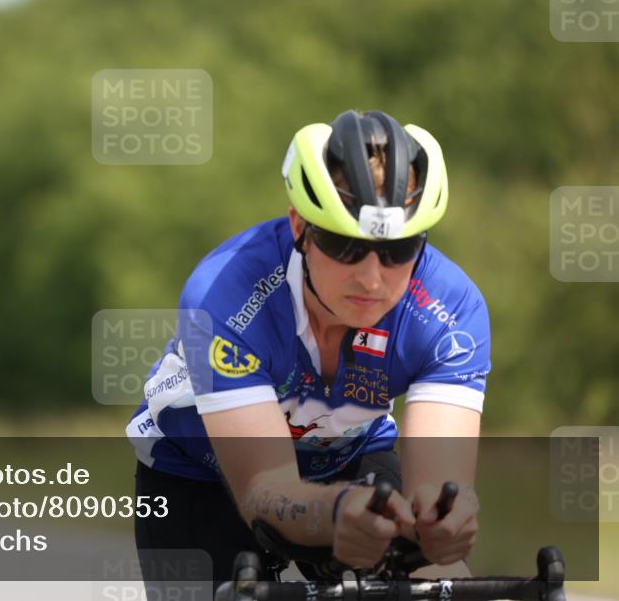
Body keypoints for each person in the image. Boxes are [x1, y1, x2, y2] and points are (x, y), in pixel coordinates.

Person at [126, 110, 488, 586]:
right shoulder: (224, 294)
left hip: (348, 458)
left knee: (441, 577)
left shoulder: (450, 308)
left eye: (399, 249)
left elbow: (435, 492)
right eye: (344, 246)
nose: (372, 278)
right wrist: (334, 515)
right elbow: (264, 491)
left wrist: (443, 525)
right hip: (196, 471)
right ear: (300, 227)